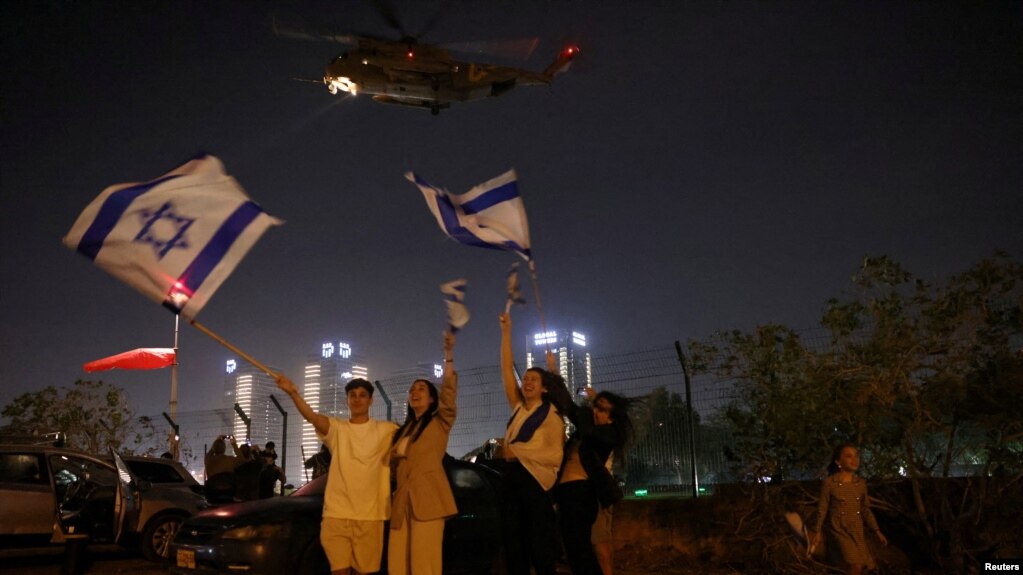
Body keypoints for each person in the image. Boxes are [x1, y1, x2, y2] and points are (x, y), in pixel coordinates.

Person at [277, 374, 398, 575]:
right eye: (353, 395)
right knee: (339, 571)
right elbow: (313, 417)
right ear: (347, 400)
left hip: (370, 515)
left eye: (362, 395)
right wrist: (293, 393)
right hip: (336, 514)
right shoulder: (338, 429)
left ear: (371, 400)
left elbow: (411, 443)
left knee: (364, 571)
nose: (357, 399)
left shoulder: (386, 430)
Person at [498, 312, 571, 575]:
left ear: (544, 389)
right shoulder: (519, 408)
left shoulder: (550, 414)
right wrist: (506, 332)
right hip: (512, 477)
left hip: (535, 482)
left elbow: (551, 451)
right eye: (525, 378)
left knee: (538, 547)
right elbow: (507, 369)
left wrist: (553, 370)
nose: (526, 381)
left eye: (533, 379)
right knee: (513, 545)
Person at [387, 331, 459, 575]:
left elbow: (449, 395)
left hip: (428, 500)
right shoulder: (403, 430)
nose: (414, 392)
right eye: (411, 389)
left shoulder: (439, 422)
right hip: (402, 502)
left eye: (421, 389)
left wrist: (448, 356)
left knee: (424, 564)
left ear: (431, 399)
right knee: (398, 564)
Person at [554, 387, 633, 575]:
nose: (595, 411)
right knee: (575, 551)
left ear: (612, 418)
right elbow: (570, 408)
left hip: (586, 494)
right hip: (569, 494)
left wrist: (593, 401)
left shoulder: (606, 435)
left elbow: (585, 425)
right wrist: (554, 374)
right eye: (595, 407)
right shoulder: (586, 430)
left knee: (588, 549)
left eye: (602, 409)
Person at [813, 443, 888, 575]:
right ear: (838, 461)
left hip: (856, 529)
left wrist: (877, 531)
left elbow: (865, 509)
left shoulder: (860, 483)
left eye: (856, 456)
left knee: (866, 566)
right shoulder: (830, 483)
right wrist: (817, 531)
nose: (854, 460)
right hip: (839, 528)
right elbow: (822, 508)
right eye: (848, 456)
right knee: (856, 564)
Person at [204, 434, 242, 503]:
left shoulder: (208, 460)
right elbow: (241, 459)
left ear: (214, 448)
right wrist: (234, 444)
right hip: (229, 492)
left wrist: (217, 441)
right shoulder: (230, 460)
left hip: (212, 492)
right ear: (224, 449)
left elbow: (209, 454)